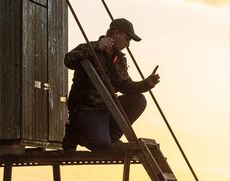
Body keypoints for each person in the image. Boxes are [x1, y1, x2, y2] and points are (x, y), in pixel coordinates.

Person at [62, 18, 160, 151]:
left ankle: (112, 137)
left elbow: (126, 86)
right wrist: (97, 47)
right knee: (101, 145)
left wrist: (146, 84)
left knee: (139, 100)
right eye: (127, 39)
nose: (127, 44)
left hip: (106, 109)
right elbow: (68, 60)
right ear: (116, 33)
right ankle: (74, 132)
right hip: (85, 109)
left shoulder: (119, 59)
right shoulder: (91, 47)